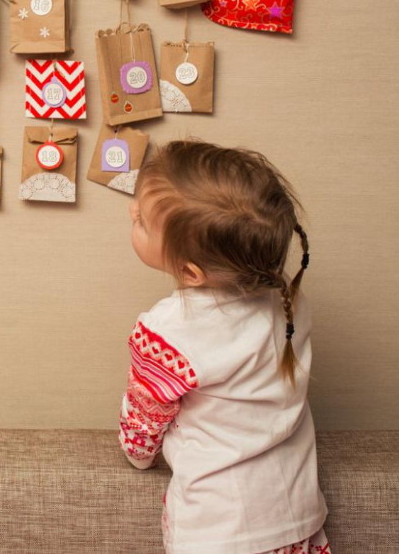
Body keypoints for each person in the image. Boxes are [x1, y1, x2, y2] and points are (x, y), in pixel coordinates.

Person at [119, 140, 330, 554]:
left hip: (222, 528)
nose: (131, 213)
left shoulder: (168, 330)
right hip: (297, 516)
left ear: (190, 272)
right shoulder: (289, 303)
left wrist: (138, 456)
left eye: (142, 220)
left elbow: (141, 434)